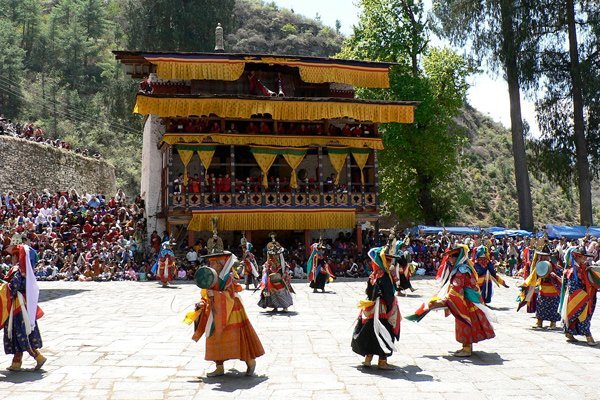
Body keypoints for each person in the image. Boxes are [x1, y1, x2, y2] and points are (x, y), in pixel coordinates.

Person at [185, 251, 265, 377]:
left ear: (221, 264)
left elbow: (230, 296)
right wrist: (202, 302)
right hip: (216, 311)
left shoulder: (227, 278)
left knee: (238, 337)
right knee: (214, 337)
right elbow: (206, 295)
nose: (212, 265)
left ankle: (250, 362)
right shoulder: (210, 277)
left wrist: (215, 295)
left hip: (233, 310)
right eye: (211, 262)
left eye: (215, 263)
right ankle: (219, 367)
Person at [407, 244, 496, 357]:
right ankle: (466, 346)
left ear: (456, 257)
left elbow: (456, 288)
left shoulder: (461, 270)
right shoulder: (464, 267)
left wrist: (443, 301)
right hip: (467, 300)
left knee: (465, 322)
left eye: (451, 257)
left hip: (464, 302)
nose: (449, 259)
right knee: (468, 322)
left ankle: (467, 349)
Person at [351, 245, 401, 370]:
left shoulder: (373, 275)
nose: (391, 263)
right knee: (384, 332)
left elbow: (368, 292)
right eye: (388, 260)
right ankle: (382, 361)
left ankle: (368, 359)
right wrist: (391, 307)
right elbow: (388, 295)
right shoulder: (384, 277)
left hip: (371, 308)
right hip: (382, 309)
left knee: (370, 331)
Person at [2, 241, 46, 371]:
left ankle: (38, 356)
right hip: (23, 304)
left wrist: (3, 285)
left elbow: (13, 287)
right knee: (20, 331)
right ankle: (17, 361)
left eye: (14, 255)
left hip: (18, 305)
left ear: (17, 257)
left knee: (19, 331)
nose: (12, 257)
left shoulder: (18, 271)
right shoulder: (26, 271)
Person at [559, 247, 597, 346]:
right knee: (581, 316)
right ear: (577, 257)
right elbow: (572, 286)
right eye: (583, 257)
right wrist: (583, 295)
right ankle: (587, 336)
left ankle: (569, 333)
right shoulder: (572, 270)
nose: (585, 259)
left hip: (584, 295)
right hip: (578, 297)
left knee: (583, 316)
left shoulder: (583, 268)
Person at [518, 250, 562, 330]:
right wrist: (525, 285)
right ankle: (539, 322)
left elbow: (561, 278)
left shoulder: (555, 267)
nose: (544, 257)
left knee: (553, 308)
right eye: (542, 256)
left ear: (549, 257)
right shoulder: (539, 266)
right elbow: (532, 277)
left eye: (546, 256)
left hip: (553, 291)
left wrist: (554, 276)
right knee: (541, 307)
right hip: (543, 291)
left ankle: (553, 323)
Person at [258, 234, 294, 312]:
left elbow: (286, 269)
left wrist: (285, 275)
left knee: (282, 293)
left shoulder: (282, 262)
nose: (275, 256)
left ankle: (285, 306)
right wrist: (266, 270)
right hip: (271, 281)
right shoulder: (268, 262)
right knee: (272, 294)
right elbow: (265, 269)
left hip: (281, 280)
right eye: (273, 255)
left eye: (277, 255)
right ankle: (275, 306)